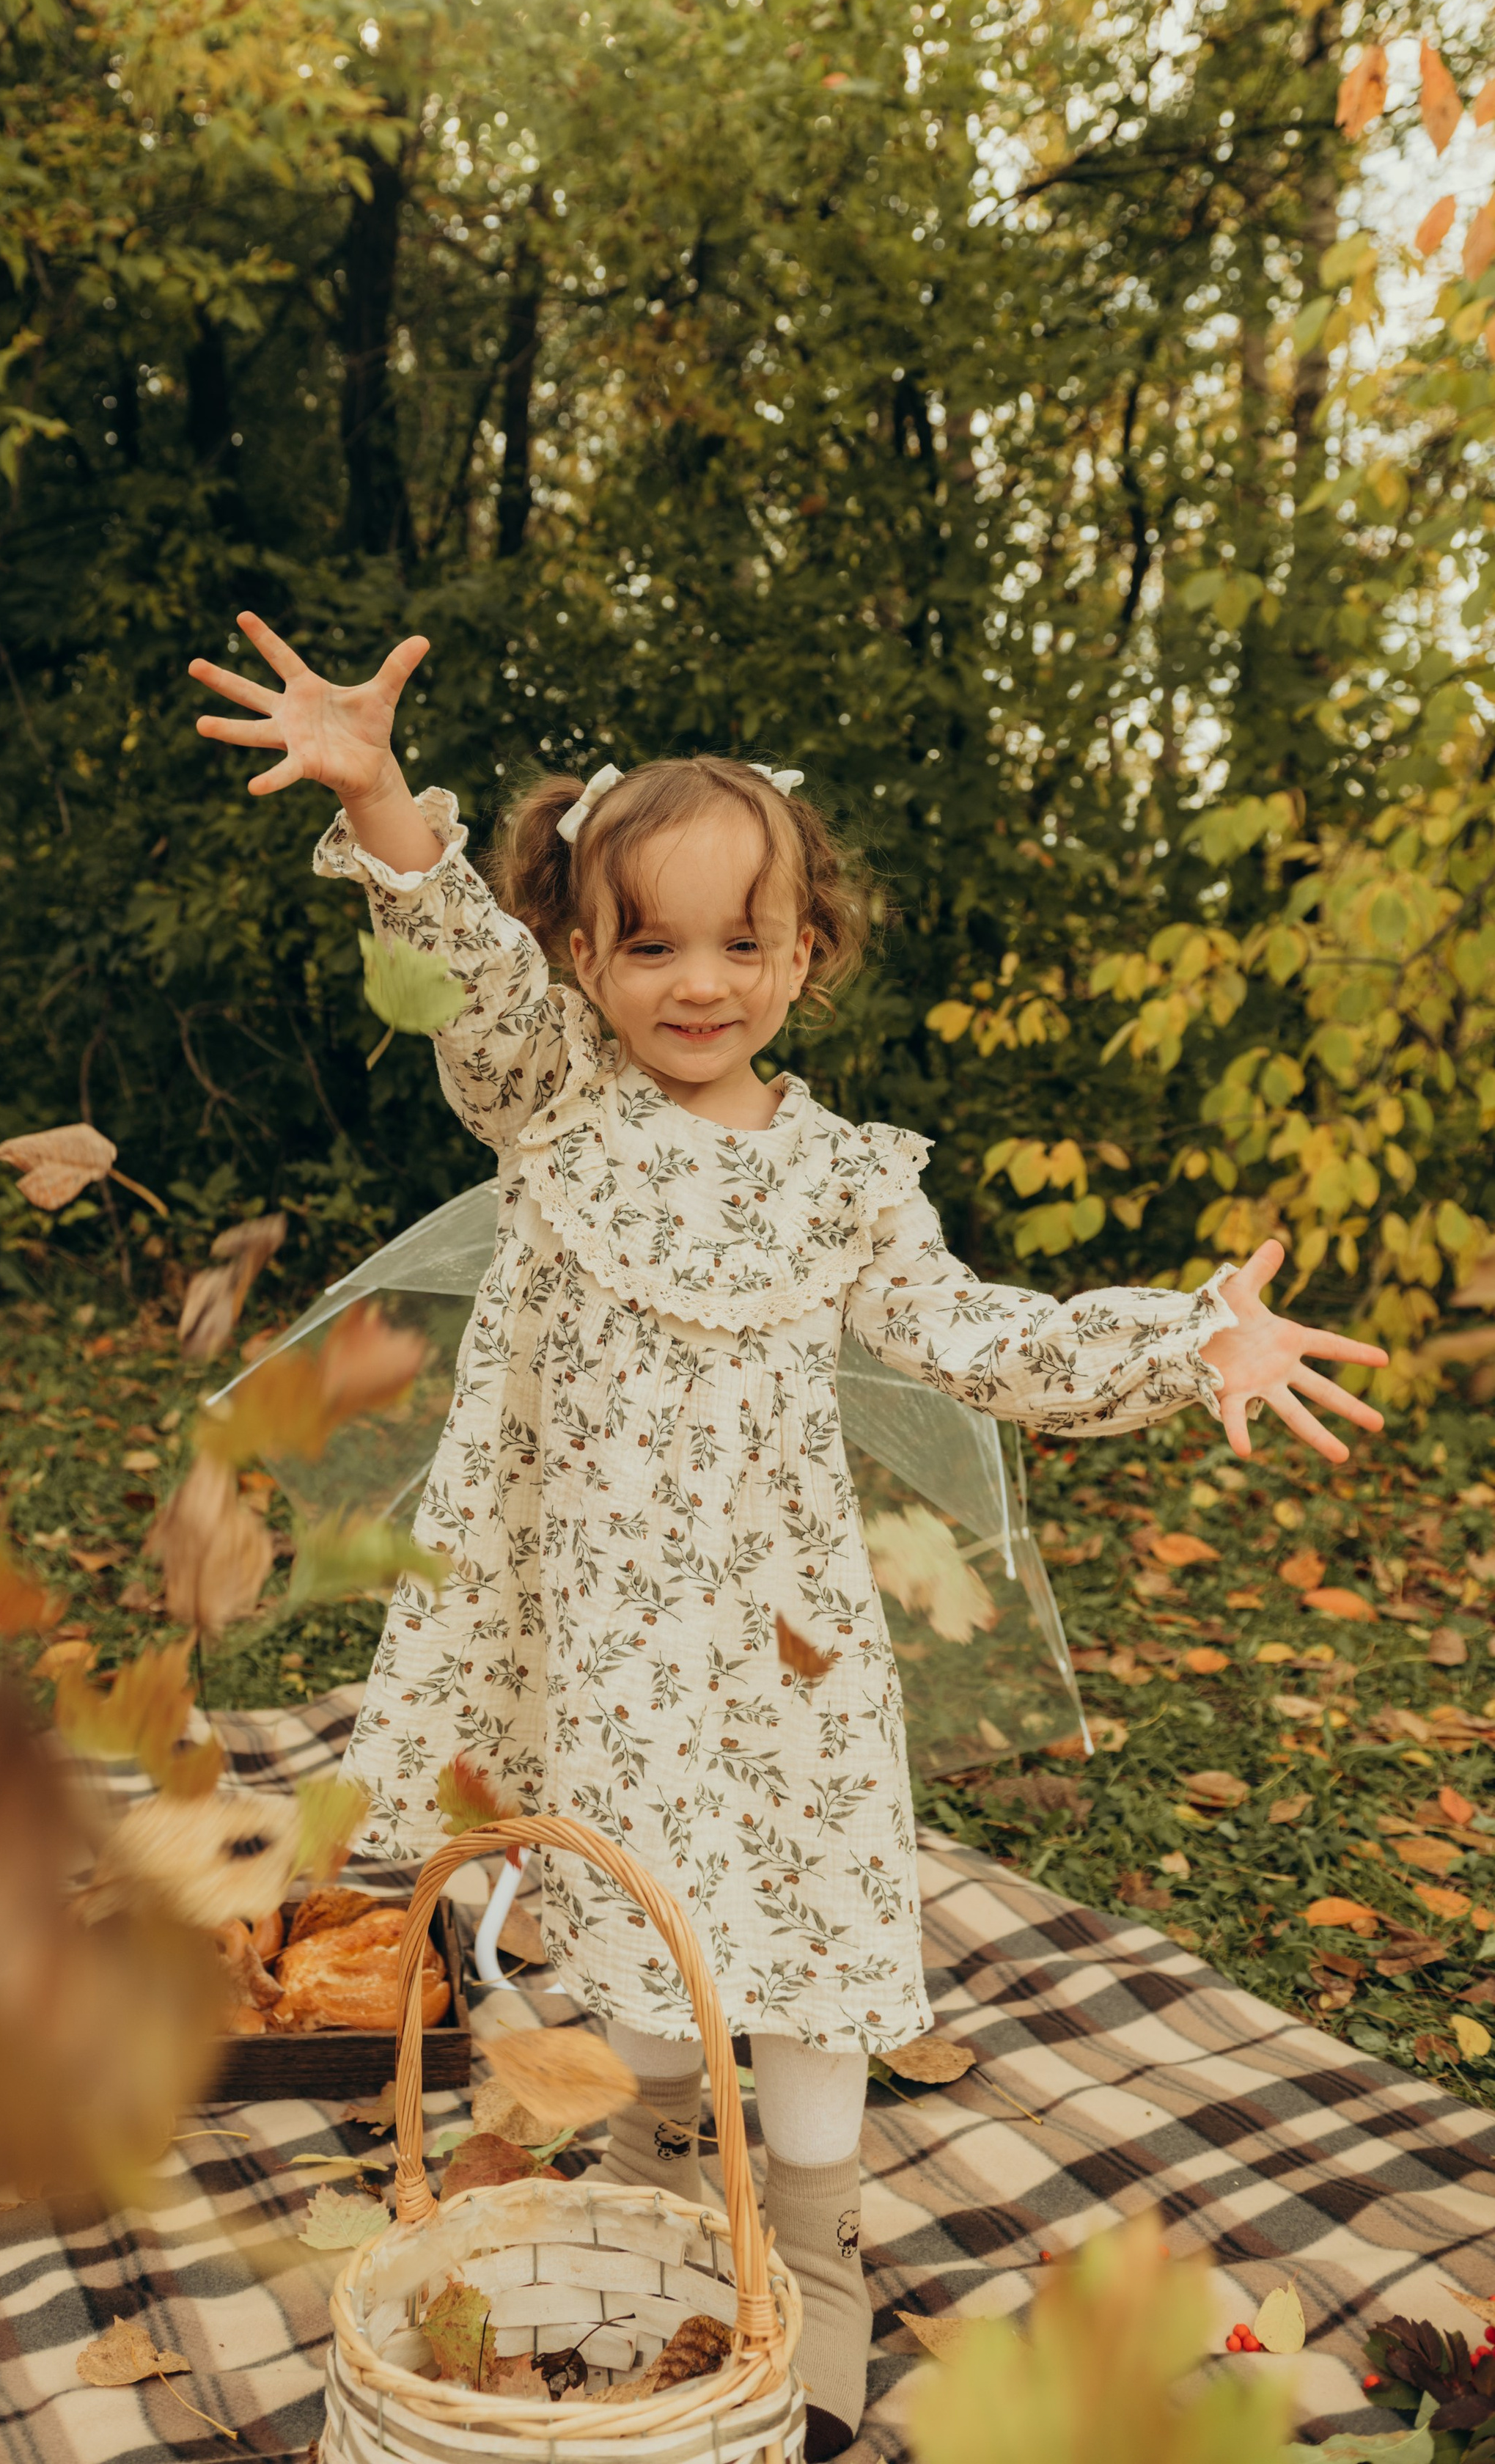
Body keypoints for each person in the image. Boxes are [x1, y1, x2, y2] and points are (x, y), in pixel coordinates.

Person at [190, 613, 1388, 2454]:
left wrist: (1182, 1334)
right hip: (598, 1630)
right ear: (578, 953)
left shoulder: (844, 1179)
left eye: (740, 940)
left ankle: (811, 2237)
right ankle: (678, 2165)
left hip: (778, 1639)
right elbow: (460, 980)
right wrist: (379, 806)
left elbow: (971, 1334)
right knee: (641, 1939)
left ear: (802, 952)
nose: (694, 980)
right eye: (645, 941)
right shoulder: (552, 1105)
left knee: (812, 1933)